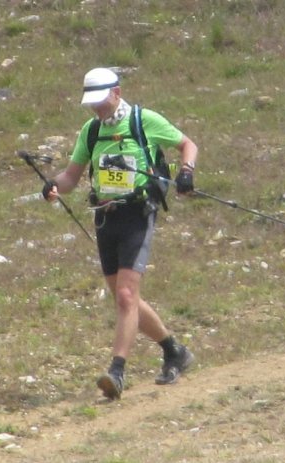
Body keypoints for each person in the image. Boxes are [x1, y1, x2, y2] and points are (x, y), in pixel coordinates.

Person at [42, 67, 198, 400]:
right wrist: (53, 185)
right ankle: (174, 351)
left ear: (117, 93)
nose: (97, 108)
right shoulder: (91, 131)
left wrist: (186, 171)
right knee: (125, 298)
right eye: (92, 103)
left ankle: (117, 371)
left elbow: (187, 144)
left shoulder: (144, 121)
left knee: (126, 296)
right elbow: (71, 177)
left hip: (137, 214)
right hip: (105, 218)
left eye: (101, 101)